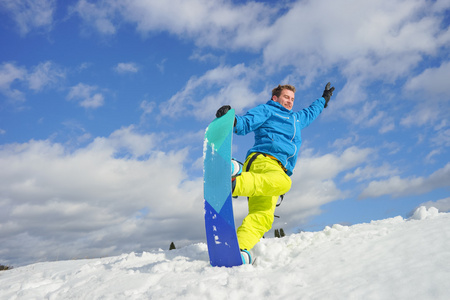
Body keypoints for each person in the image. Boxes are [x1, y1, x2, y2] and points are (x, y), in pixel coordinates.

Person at [215, 82, 335, 264]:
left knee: (262, 217)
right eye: (286, 97)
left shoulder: (296, 119)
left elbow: (312, 112)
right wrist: (232, 120)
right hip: (264, 161)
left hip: (268, 177)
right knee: (285, 182)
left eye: (292, 99)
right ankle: (236, 181)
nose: (289, 101)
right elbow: (247, 122)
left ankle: (236, 250)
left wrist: (324, 99)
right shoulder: (268, 110)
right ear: (275, 98)